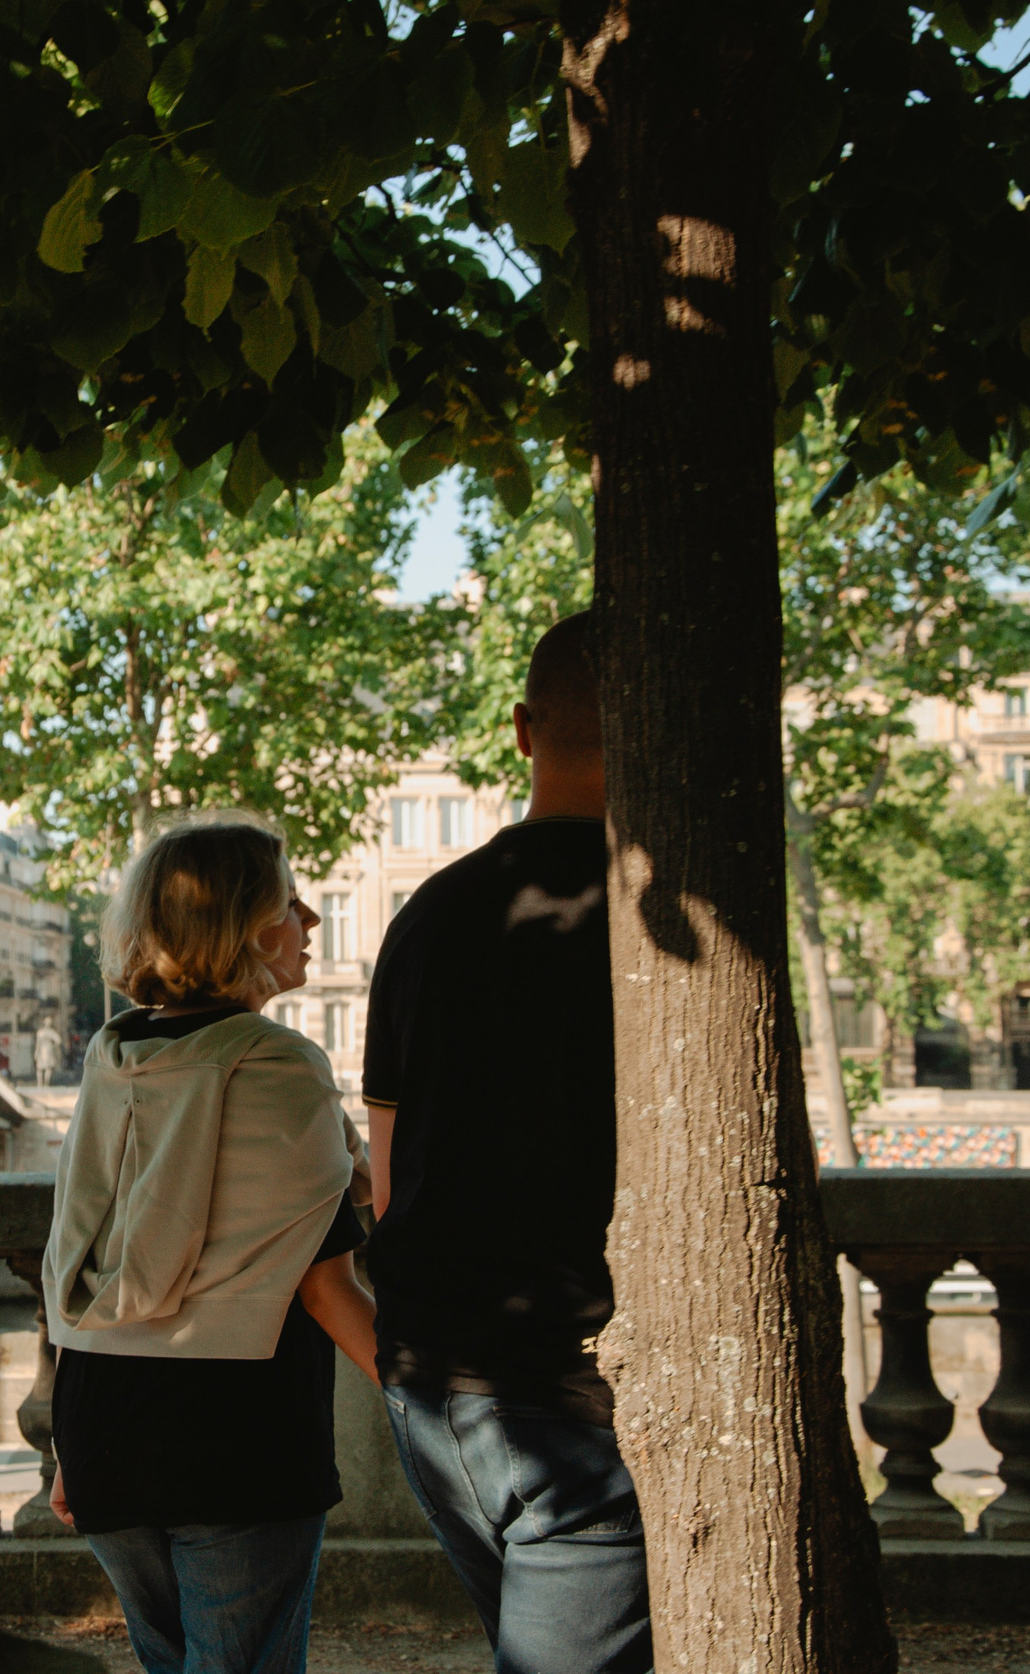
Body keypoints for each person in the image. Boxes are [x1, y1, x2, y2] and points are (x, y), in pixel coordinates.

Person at [361, 611, 651, 1674]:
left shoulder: (425, 917)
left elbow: (387, 1174)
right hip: (573, 1391)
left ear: (523, 730)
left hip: (435, 1386)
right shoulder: (666, 919)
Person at [41, 817, 378, 1674]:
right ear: (246, 929)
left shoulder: (112, 1058)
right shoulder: (280, 1064)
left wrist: (64, 1443)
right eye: (290, 902)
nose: (310, 920)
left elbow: (83, 1244)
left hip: (103, 1419)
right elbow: (325, 1291)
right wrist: (442, 1403)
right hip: (233, 1436)